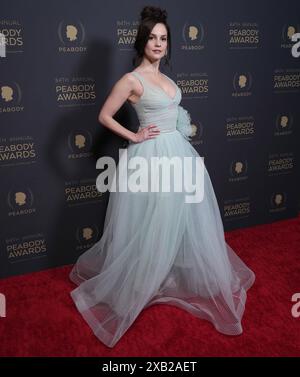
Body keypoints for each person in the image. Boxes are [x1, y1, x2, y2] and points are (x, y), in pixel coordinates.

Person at [69, 5, 255, 348]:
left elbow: (172, 113)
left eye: (163, 38)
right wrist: (134, 135)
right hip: (151, 159)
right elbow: (105, 115)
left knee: (178, 217)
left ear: (168, 44)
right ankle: (139, 283)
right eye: (152, 38)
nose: (158, 44)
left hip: (179, 154)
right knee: (151, 220)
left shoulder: (167, 80)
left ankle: (164, 273)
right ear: (142, 42)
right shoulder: (131, 80)